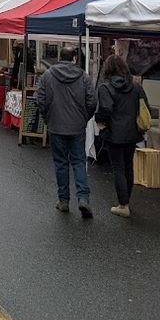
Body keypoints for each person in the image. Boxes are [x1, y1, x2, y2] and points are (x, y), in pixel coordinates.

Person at [35, 46, 96, 217]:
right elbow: (92, 101)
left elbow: (40, 100)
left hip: (56, 125)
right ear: (74, 58)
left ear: (59, 57)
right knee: (79, 162)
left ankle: (63, 200)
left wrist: (47, 118)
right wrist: (84, 117)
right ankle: (83, 198)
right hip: (77, 126)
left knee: (61, 163)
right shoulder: (83, 76)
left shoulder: (47, 75)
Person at [95, 54, 150, 218]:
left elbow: (106, 109)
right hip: (132, 132)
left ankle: (123, 204)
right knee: (128, 166)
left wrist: (99, 120)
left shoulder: (105, 88)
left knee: (118, 168)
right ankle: (127, 201)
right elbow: (145, 107)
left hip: (114, 133)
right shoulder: (136, 87)